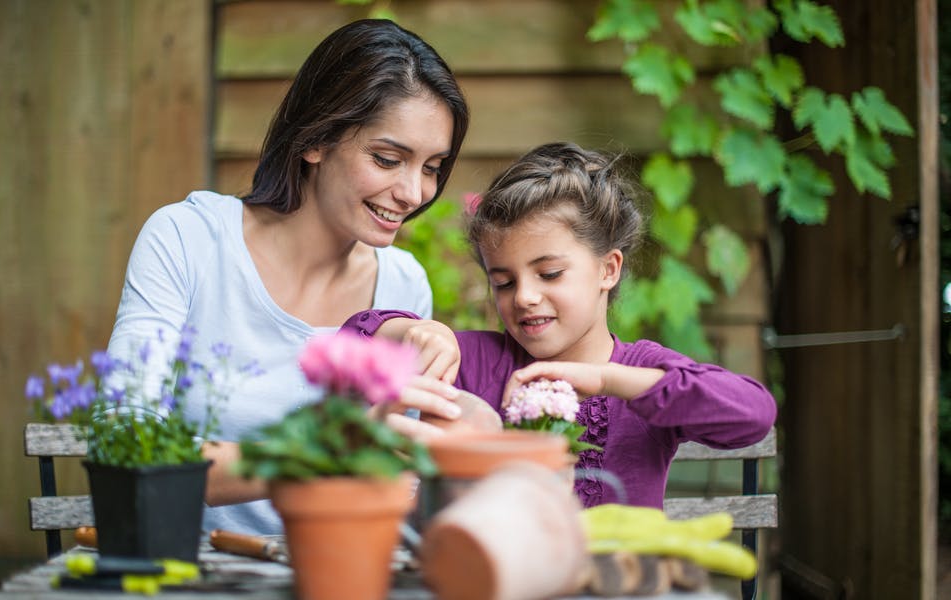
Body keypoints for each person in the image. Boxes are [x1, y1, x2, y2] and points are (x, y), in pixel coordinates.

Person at [106, 19, 472, 535]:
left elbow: (395, 477)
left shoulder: (403, 287)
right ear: (316, 139)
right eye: (389, 159)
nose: (414, 194)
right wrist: (316, 453)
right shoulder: (189, 241)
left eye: (432, 167)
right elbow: (129, 449)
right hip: (189, 573)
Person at [342, 142, 778, 509]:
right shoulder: (474, 361)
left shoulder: (641, 372)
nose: (525, 297)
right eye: (504, 282)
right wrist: (410, 330)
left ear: (608, 270)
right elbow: (347, 347)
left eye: (549, 274)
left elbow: (753, 414)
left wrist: (608, 379)